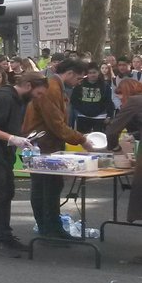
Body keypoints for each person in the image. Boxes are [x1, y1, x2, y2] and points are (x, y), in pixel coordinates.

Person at [0, 72, 48, 257]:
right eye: (38, 93)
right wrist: (12, 138)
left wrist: (21, 138)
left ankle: (6, 236)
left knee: (7, 192)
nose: (38, 98)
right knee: (0, 193)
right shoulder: (3, 97)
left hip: (3, 152)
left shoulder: (18, 100)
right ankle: (1, 240)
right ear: (29, 86)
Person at [22, 59, 95, 238]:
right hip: (43, 145)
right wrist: (82, 139)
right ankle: (49, 229)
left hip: (45, 143)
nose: (80, 82)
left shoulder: (55, 87)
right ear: (69, 73)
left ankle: (51, 227)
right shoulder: (52, 89)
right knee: (46, 186)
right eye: (79, 78)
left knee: (50, 186)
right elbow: (56, 123)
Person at [104, 79, 142, 225]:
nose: (119, 98)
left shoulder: (134, 101)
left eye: (120, 94)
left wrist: (115, 148)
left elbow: (112, 131)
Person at [71, 63, 114, 134]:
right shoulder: (79, 84)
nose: (92, 75)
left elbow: (108, 101)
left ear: (98, 72)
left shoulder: (105, 86)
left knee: (98, 139)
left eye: (94, 72)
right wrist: (80, 110)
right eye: (90, 73)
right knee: (82, 138)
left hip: (100, 116)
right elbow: (74, 100)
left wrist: (109, 115)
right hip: (83, 116)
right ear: (86, 74)